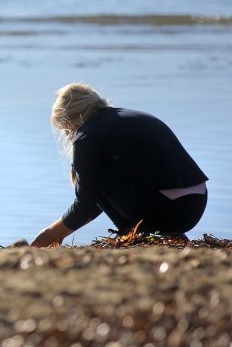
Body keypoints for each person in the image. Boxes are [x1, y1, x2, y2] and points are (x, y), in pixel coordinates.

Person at [31, 83, 209, 247]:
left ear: (70, 122)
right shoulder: (131, 117)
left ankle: (130, 234)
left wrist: (50, 234)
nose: (68, 137)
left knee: (95, 177)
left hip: (164, 213)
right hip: (196, 204)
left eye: (64, 130)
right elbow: (96, 202)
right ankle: (169, 235)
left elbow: (86, 205)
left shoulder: (86, 136)